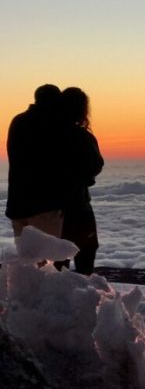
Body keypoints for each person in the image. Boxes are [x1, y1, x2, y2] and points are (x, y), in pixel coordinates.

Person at [5, 84, 67, 238]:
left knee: (26, 258)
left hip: (17, 204)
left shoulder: (18, 120)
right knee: (49, 257)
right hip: (43, 204)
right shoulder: (50, 123)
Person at [55, 87, 104, 275]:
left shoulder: (46, 135)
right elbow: (96, 164)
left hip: (49, 208)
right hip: (78, 205)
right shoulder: (83, 136)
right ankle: (84, 297)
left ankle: (55, 299)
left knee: (57, 260)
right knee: (86, 252)